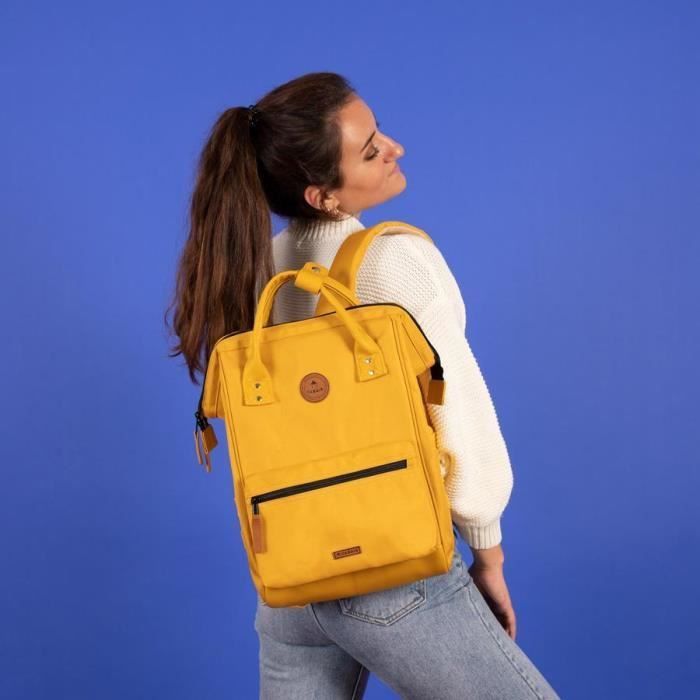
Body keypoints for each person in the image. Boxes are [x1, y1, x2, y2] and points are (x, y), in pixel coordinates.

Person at [165, 71, 561, 699]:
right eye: (372, 149)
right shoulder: (393, 261)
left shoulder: (253, 270)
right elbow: (459, 417)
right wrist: (489, 554)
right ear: (323, 195)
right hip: (391, 570)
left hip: (290, 586)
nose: (395, 148)